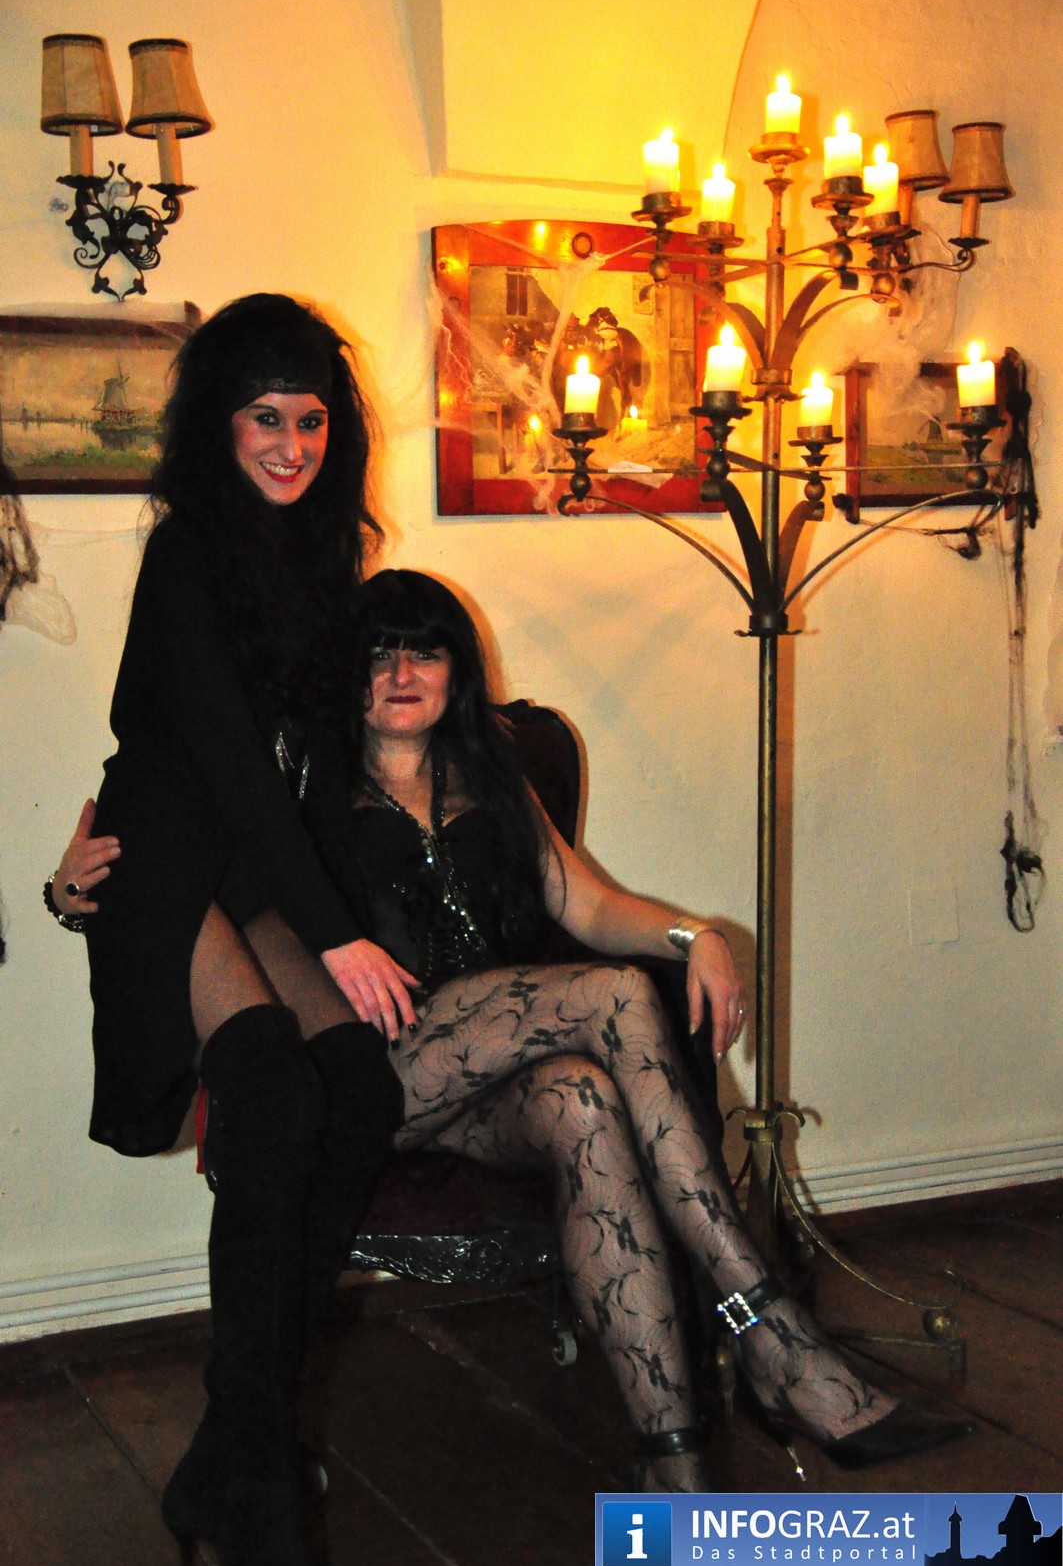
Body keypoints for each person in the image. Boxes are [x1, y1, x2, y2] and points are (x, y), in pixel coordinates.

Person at [55, 566, 974, 1496]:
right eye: (378, 655)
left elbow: (590, 905)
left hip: (492, 1082)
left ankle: (674, 1468)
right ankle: (765, 1322)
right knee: (615, 996)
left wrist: (694, 936)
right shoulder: (296, 781)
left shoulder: (490, 773)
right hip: (368, 1072)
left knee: (581, 1100)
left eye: (425, 652)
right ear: (344, 673)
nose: (402, 674)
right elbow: (171, 872)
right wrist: (68, 894)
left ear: (457, 669)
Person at [46, 294, 405, 1566]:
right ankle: (257, 1500)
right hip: (164, 855)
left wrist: (346, 908)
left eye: (310, 420)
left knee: (357, 1087)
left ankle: (225, 1450)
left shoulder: (324, 554)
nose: (291, 445)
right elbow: (225, 764)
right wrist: (337, 938)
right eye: (266, 419)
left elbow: (313, 770)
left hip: (254, 865)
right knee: (269, 1086)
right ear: (220, 423)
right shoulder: (186, 550)